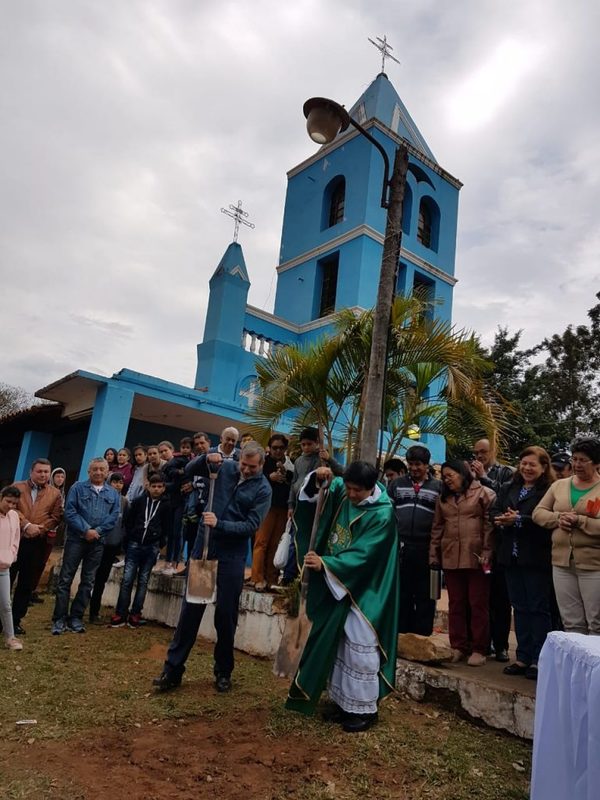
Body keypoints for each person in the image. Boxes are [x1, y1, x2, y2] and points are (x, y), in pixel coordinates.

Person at [285, 461, 400, 733]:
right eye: (348, 488)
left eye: (357, 491)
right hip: (341, 585)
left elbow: (364, 555)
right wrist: (318, 478)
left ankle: (365, 710)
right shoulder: (344, 490)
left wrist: (326, 564)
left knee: (361, 646)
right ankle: (344, 703)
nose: (350, 495)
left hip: (367, 590)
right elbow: (318, 492)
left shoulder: (382, 515)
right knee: (340, 645)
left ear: (371, 488)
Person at [152, 444, 271, 693]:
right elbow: (189, 469)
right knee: (190, 613)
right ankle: (172, 670)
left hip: (232, 558)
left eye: (253, 467)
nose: (247, 470)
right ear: (239, 460)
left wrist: (221, 524)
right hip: (204, 551)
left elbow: (251, 525)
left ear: (261, 465)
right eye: (244, 465)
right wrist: (207, 457)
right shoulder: (224, 468)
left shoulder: (263, 489)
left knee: (225, 616)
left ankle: (223, 671)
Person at [492, 446, 555, 680]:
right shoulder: (509, 487)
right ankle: (522, 656)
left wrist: (519, 520)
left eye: (533, 464)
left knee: (538, 608)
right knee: (518, 607)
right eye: (524, 463)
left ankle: (540, 659)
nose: (527, 468)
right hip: (511, 555)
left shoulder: (549, 490)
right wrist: (501, 519)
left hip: (536, 556)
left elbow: (548, 520)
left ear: (544, 467)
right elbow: (494, 510)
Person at [430, 459, 495, 666]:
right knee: (456, 603)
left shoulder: (484, 493)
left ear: (463, 474)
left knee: (478, 603)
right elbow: (437, 527)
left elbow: (489, 525)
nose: (447, 479)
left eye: (451, 475)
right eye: (444, 476)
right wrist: (434, 554)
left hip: (476, 556)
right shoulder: (443, 498)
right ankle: (458, 645)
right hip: (450, 554)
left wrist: (487, 550)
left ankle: (479, 648)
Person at [533, 437, 600, 635]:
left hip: (594, 565)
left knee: (596, 622)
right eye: (575, 459)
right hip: (561, 563)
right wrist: (558, 518)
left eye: (583, 460)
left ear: (597, 464)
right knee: (571, 622)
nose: (577, 464)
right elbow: (539, 513)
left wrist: (580, 521)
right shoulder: (559, 486)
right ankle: (576, 665)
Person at [51, 458, 120, 635]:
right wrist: (86, 530)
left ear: (107, 472)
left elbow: (113, 517)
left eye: (102, 469)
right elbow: (70, 512)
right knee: (65, 578)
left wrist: (97, 531)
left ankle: (76, 617)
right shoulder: (77, 488)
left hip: (98, 542)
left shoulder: (113, 494)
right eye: (94, 469)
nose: (98, 472)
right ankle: (59, 619)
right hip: (76, 540)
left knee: (88, 580)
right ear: (89, 471)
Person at [387, 445, 442, 636]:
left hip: (426, 547)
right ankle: (403, 633)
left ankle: (423, 634)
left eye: (418, 464)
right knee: (403, 592)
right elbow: (388, 513)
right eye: (410, 464)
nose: (414, 468)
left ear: (426, 465)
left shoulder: (438, 488)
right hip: (401, 546)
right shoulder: (396, 485)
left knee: (425, 593)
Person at [471, 438, 514, 662]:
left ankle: (502, 645)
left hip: (501, 546)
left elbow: (507, 497)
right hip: (481, 546)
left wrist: (484, 478)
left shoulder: (506, 472)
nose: (479, 457)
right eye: (476, 453)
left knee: (501, 598)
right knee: (482, 597)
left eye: (483, 452)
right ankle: (482, 642)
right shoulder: (470, 472)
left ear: (492, 451)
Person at [111, 474, 172, 628]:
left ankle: (135, 614)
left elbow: (167, 527)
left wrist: (159, 544)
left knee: (143, 581)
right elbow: (129, 521)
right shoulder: (138, 502)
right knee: (127, 580)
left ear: (163, 488)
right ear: (148, 487)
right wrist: (130, 539)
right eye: (154, 486)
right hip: (134, 545)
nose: (156, 489)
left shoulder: (166, 505)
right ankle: (120, 613)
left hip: (151, 547)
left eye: (160, 487)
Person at [285, 427, 344, 583]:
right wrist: (290, 505)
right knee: (294, 541)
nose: (305, 448)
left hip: (316, 508)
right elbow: (293, 483)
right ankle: (288, 576)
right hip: (299, 507)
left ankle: (304, 576)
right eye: (303, 444)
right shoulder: (298, 461)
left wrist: (329, 459)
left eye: (309, 444)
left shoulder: (322, 460)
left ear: (317, 443)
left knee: (310, 541)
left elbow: (342, 473)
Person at [11, 459, 63, 635]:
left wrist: (40, 528)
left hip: (37, 543)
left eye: (46, 472)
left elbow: (56, 516)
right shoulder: (17, 487)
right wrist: (26, 525)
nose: (43, 475)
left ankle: (15, 620)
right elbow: (10, 508)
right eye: (39, 471)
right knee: (6, 579)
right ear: (31, 472)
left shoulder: (55, 494)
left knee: (26, 583)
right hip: (14, 539)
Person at [250, 433, 293, 591]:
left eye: (281, 448)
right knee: (261, 542)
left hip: (283, 508)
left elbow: (293, 484)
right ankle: (257, 578)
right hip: (265, 507)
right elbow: (253, 480)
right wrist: (270, 477)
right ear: (269, 448)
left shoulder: (290, 463)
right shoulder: (263, 462)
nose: (278, 451)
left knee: (276, 544)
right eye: (275, 448)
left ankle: (272, 578)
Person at [89, 472, 128, 624]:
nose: (117, 484)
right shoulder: (102, 498)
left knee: (101, 580)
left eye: (120, 482)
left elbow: (125, 524)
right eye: (114, 481)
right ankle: (76, 612)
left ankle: (94, 612)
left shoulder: (125, 502)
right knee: (89, 578)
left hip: (112, 546)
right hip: (97, 543)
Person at [30, 466, 67, 603]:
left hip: (53, 531)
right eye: (57, 476)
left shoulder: (62, 494)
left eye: (62, 477)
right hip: (40, 530)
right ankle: (27, 590)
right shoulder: (47, 492)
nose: (59, 479)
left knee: (42, 562)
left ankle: (32, 590)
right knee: (34, 561)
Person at [162, 437, 193, 575]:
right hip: (174, 499)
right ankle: (169, 562)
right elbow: (168, 469)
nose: (185, 449)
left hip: (185, 501)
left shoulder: (193, 460)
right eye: (183, 447)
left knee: (179, 533)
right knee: (173, 533)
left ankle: (175, 562)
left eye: (188, 447)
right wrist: (181, 472)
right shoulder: (178, 460)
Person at [0, 486, 23, 650]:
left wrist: (11, 557)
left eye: (14, 503)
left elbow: (16, 539)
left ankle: (10, 637)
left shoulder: (14, 516)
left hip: (4, 567)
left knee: (6, 604)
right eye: (8, 502)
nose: (10, 506)